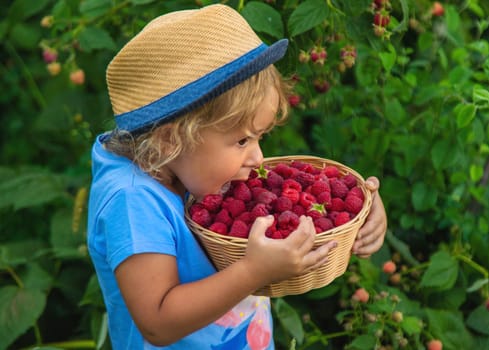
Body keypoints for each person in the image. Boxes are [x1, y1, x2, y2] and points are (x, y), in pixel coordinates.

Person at [87, 4, 387, 349]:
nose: (258, 158)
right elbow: (157, 322)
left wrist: (359, 210)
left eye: (259, 137)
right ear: (171, 139)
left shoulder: (188, 166)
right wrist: (252, 272)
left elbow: (293, 209)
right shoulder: (132, 200)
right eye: (242, 140)